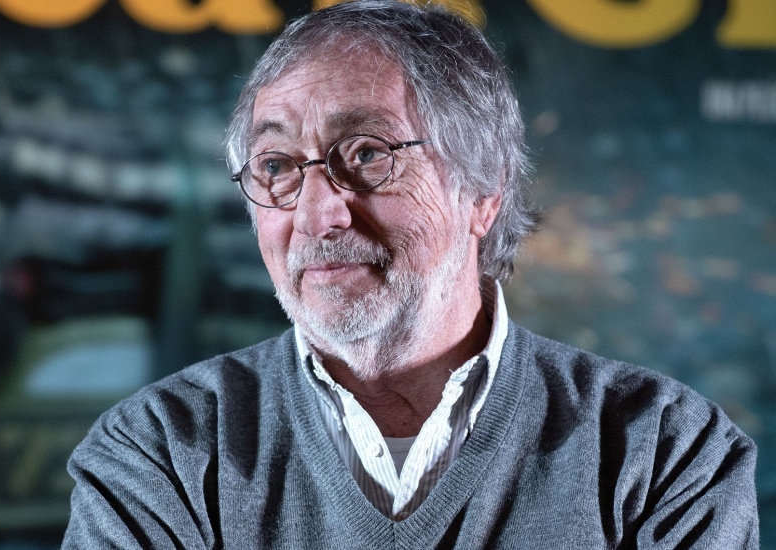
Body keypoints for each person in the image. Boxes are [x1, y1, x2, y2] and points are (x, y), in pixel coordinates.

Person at [62, 1, 759, 547]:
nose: (316, 215)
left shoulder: (661, 452)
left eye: (367, 154)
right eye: (276, 167)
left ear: (483, 191)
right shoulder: (161, 453)